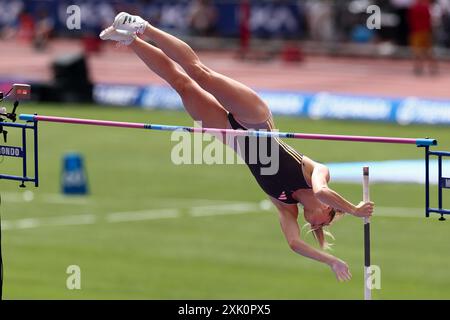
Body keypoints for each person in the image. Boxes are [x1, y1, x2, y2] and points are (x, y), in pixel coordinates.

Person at [99, 12, 374, 282]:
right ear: (328, 211)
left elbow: (293, 243)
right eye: (324, 223)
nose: (315, 224)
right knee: (200, 73)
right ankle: (143, 26)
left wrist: (332, 260)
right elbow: (323, 193)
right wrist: (354, 209)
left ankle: (130, 40)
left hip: (231, 136)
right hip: (256, 121)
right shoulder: (319, 173)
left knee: (181, 84)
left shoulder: (286, 207)